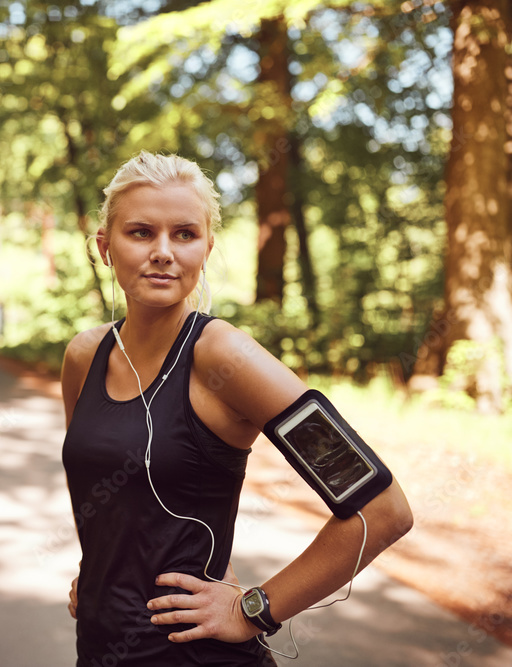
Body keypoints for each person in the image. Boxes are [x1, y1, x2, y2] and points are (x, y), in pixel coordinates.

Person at [60, 151, 413, 666]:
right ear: (104, 247)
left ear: (206, 248)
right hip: (96, 649)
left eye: (184, 234)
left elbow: (382, 509)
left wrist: (254, 609)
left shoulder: (225, 356)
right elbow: (102, 493)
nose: (163, 252)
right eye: (140, 232)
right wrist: (101, 571)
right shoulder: (84, 357)